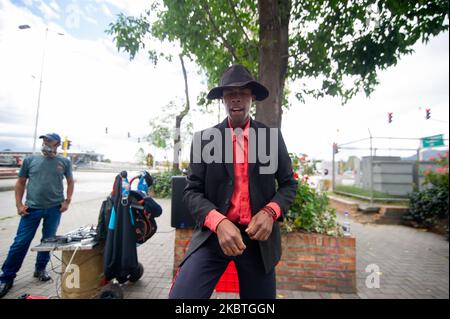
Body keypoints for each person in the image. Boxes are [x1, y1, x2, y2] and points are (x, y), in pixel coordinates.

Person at [169, 64, 298, 299]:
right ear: (222, 100)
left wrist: (270, 211)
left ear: (252, 97)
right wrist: (218, 222)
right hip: (214, 235)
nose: (236, 98)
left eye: (242, 92)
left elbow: (289, 184)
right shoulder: (205, 140)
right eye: (229, 93)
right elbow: (192, 191)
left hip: (257, 240)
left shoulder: (271, 138)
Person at [0, 133, 74, 298]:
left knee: (47, 242)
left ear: (57, 144)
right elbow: (20, 182)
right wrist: (19, 205)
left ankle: (40, 269)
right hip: (31, 209)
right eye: (44, 140)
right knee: (20, 242)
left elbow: (70, 182)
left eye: (49, 140)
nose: (45, 143)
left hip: (54, 209)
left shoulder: (64, 162)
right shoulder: (30, 160)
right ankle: (6, 277)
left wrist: (67, 201)